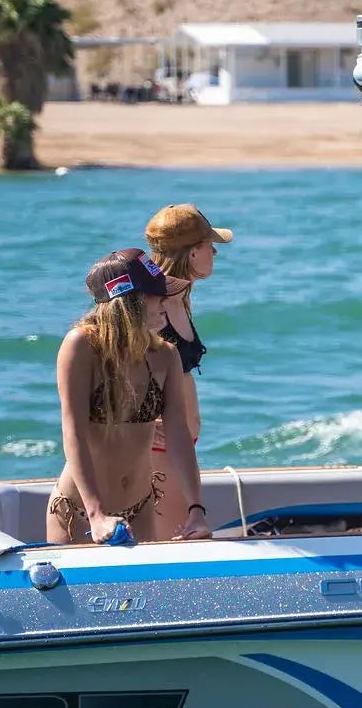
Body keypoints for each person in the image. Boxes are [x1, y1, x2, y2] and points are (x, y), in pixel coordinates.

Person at [49, 249, 210, 545]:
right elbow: (74, 433)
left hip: (140, 508)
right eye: (157, 295)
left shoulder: (165, 355)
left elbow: (179, 435)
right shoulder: (81, 346)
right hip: (81, 512)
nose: (165, 302)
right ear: (128, 301)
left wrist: (196, 508)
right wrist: (96, 514)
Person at [144, 203, 232, 537]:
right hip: (158, 446)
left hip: (179, 442)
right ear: (194, 252)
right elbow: (114, 366)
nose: (215, 253)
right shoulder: (150, 305)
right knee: (166, 544)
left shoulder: (179, 294)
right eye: (210, 247)